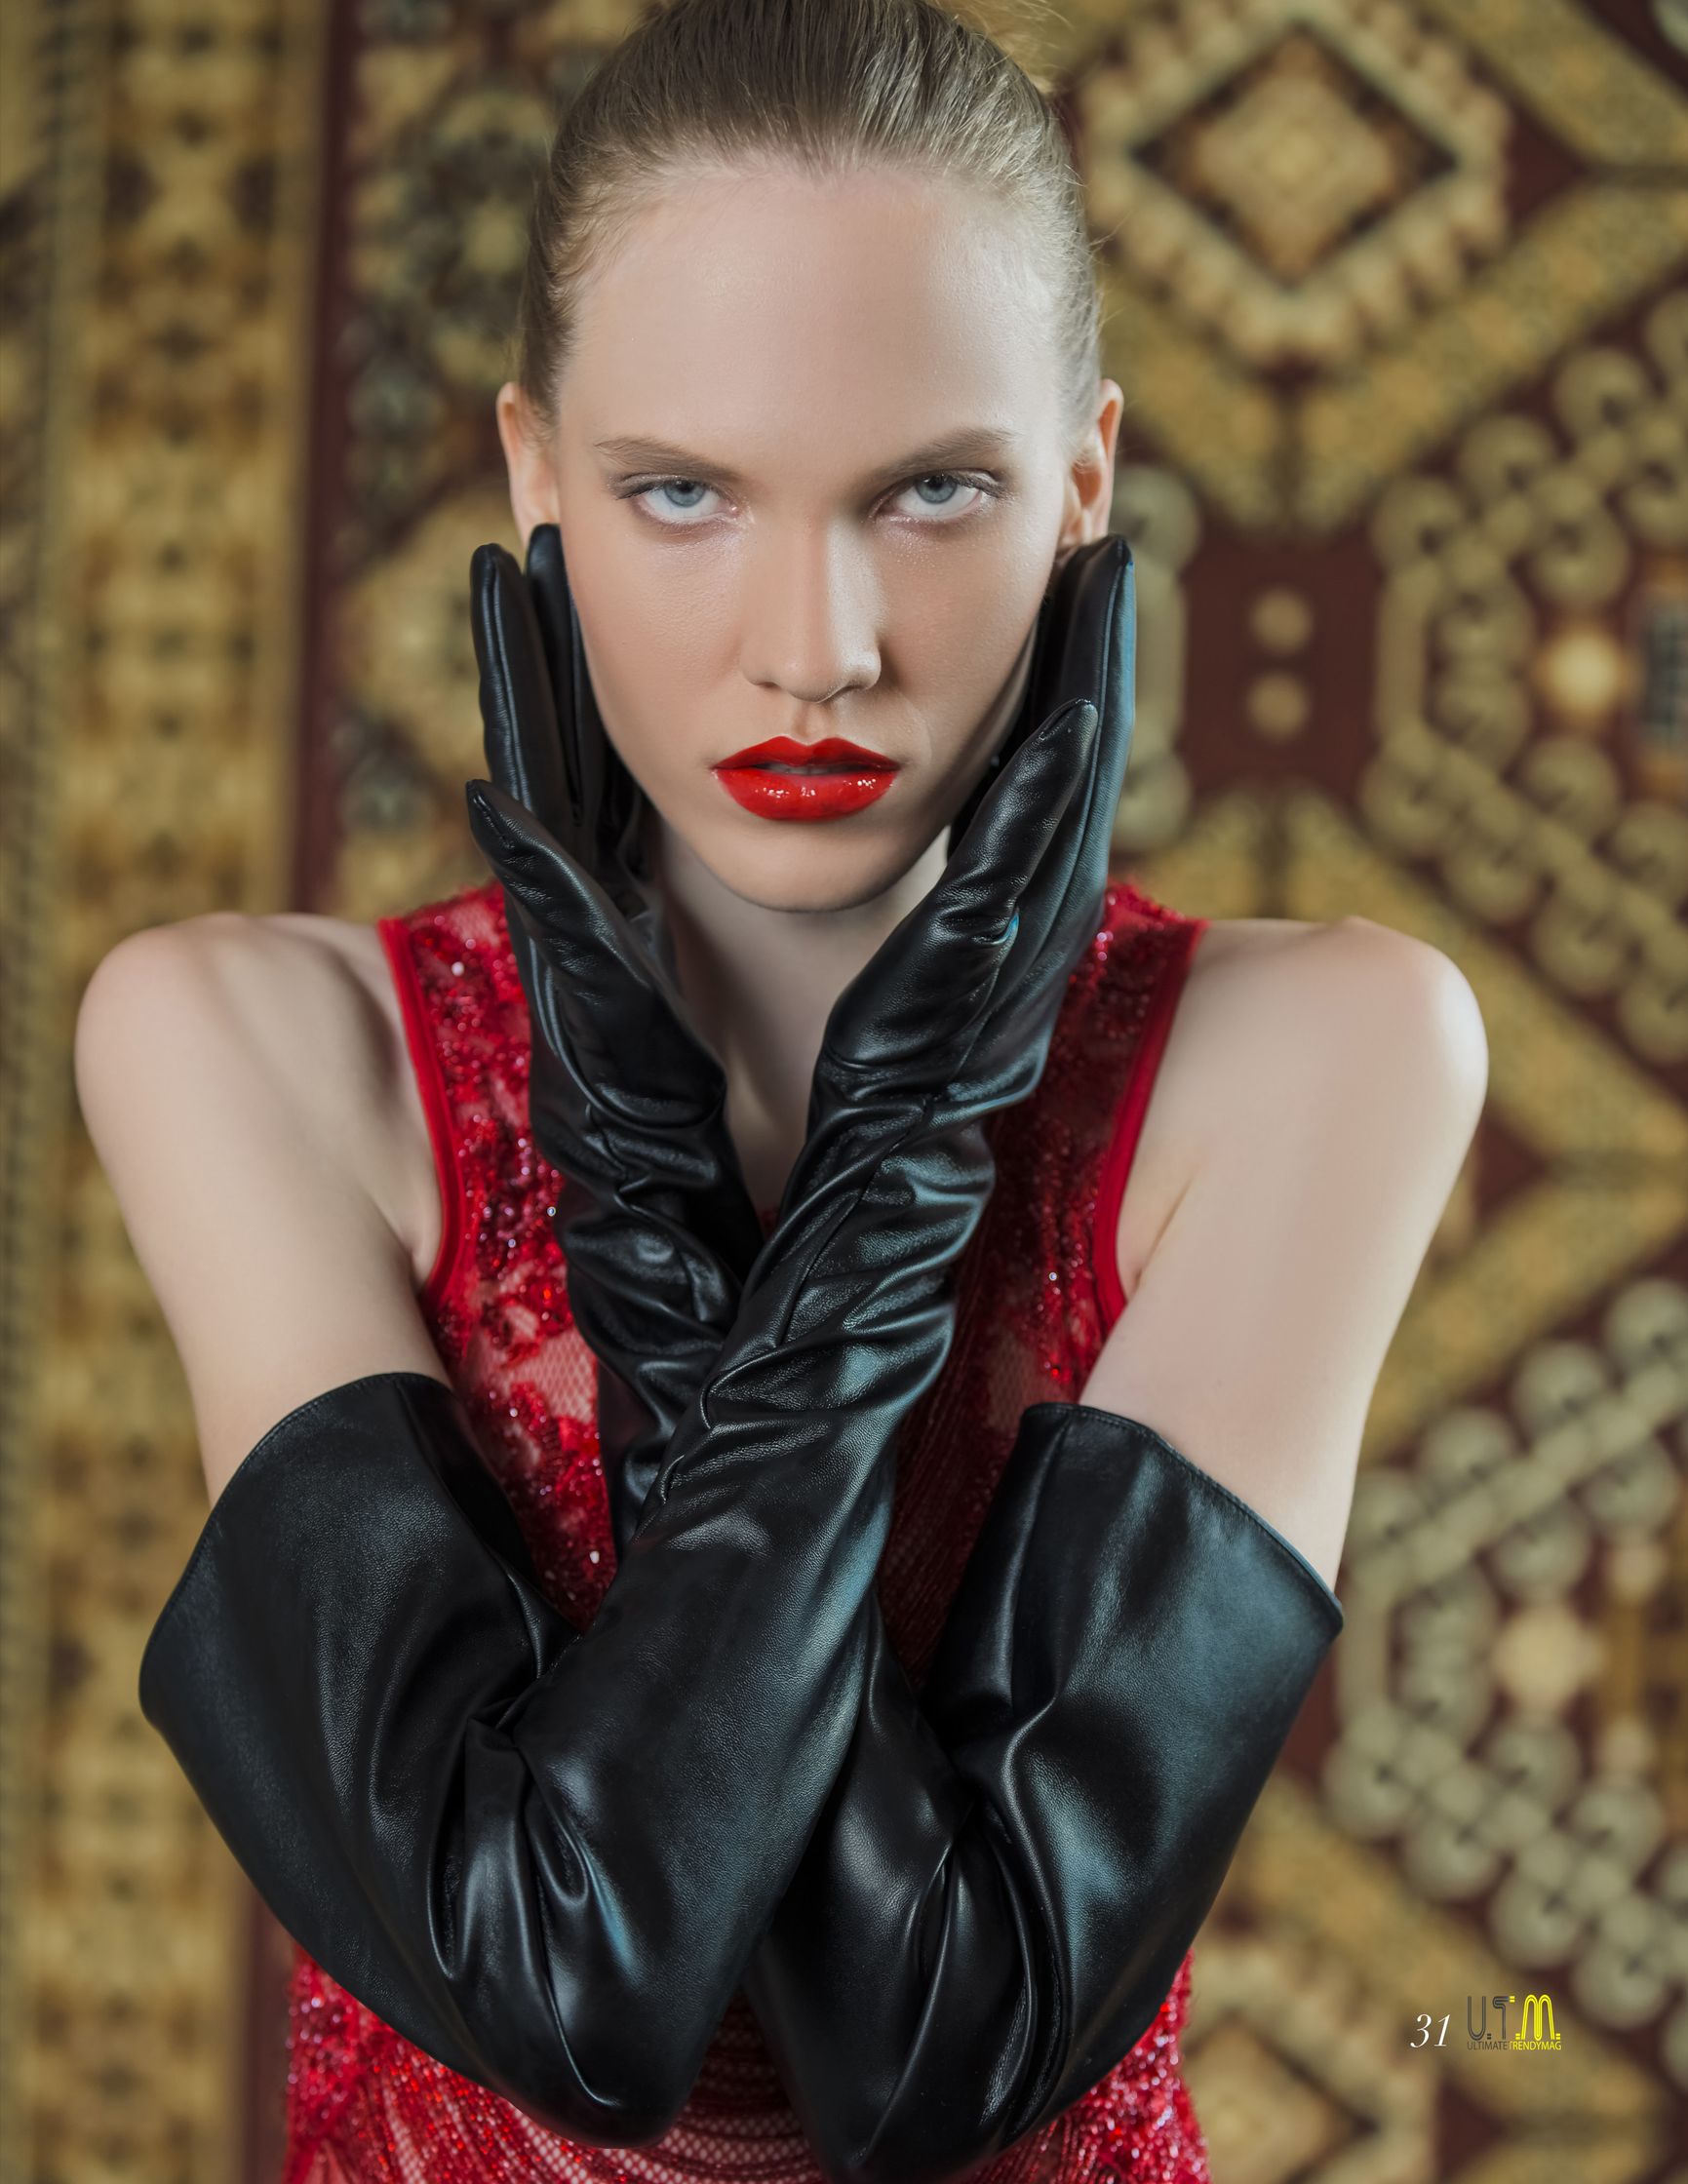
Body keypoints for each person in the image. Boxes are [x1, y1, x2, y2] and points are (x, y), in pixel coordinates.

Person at [72, 3, 1489, 2181]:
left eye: (932, 491)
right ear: (535, 476)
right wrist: (647, 1200)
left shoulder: (1320, 1058)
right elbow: (577, 1991)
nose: (815, 646)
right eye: (681, 493)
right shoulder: (247, 1047)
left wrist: (899, 1150)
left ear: (1083, 481)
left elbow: (936, 2049)